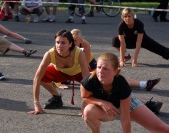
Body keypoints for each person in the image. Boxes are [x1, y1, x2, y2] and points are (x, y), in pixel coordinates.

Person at [27, 29, 160, 115]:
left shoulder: (79, 53)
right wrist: (36, 104)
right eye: (57, 42)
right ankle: (57, 98)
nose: (59, 46)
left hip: (80, 74)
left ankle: (147, 104)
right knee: (40, 75)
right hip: (60, 72)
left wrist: (84, 105)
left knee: (112, 86)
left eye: (63, 43)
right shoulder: (50, 54)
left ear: (70, 44)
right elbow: (37, 78)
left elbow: (86, 80)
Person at [80, 52, 169, 133]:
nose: (100, 71)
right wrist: (102, 103)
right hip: (105, 109)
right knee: (88, 112)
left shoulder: (121, 83)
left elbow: (125, 117)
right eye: (99, 67)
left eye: (105, 69)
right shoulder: (89, 80)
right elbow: (85, 97)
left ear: (116, 71)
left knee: (163, 129)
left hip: (125, 104)